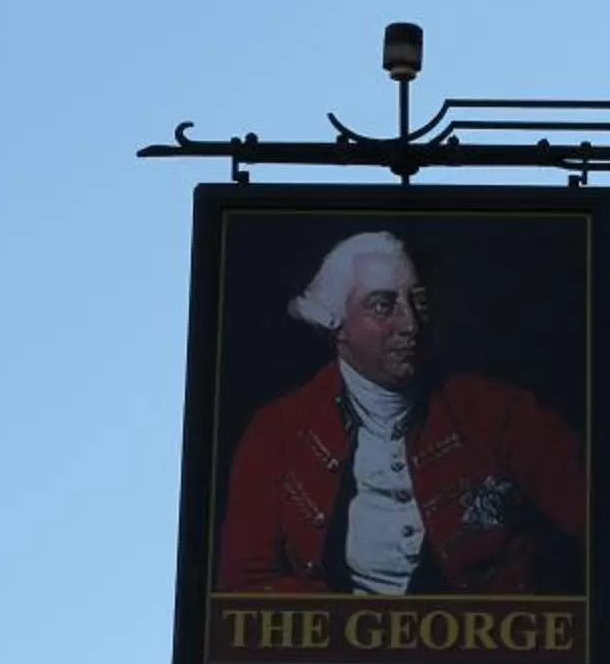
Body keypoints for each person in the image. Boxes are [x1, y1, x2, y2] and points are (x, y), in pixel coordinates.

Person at [215, 229, 586, 596]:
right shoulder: (278, 430)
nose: (410, 325)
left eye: (418, 302)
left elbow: (596, 526)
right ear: (335, 323)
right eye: (382, 305)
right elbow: (246, 582)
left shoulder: (503, 412)